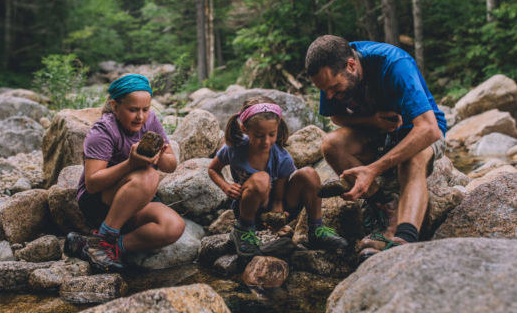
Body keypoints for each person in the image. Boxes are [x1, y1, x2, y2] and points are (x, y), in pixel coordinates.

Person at [305, 36, 446, 261]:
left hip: (415, 132)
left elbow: (429, 129)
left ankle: (405, 239)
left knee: (410, 160)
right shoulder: (330, 71)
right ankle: (386, 209)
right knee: (331, 145)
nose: (329, 95)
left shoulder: (395, 64)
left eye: (333, 88)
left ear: (351, 66)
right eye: (324, 90)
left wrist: (373, 169)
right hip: (379, 133)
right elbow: (336, 117)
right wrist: (373, 121)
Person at [64, 74, 184, 272]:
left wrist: (159, 155)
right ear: (115, 105)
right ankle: (105, 238)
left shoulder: (150, 121)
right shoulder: (102, 131)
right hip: (99, 203)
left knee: (173, 226)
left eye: (145, 109)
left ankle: (102, 246)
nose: (140, 117)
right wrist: (131, 163)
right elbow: (92, 183)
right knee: (148, 175)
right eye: (133, 110)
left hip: (137, 198)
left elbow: (171, 165)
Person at [208, 96, 347, 258]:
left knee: (308, 173)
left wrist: (278, 213)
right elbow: (213, 169)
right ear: (244, 129)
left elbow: (281, 191)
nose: (267, 141)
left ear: (278, 129)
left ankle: (316, 229)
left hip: (279, 208)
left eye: (271, 134)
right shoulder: (234, 148)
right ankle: (243, 231)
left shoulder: (281, 156)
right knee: (261, 179)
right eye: (259, 135)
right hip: (248, 208)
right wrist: (226, 186)